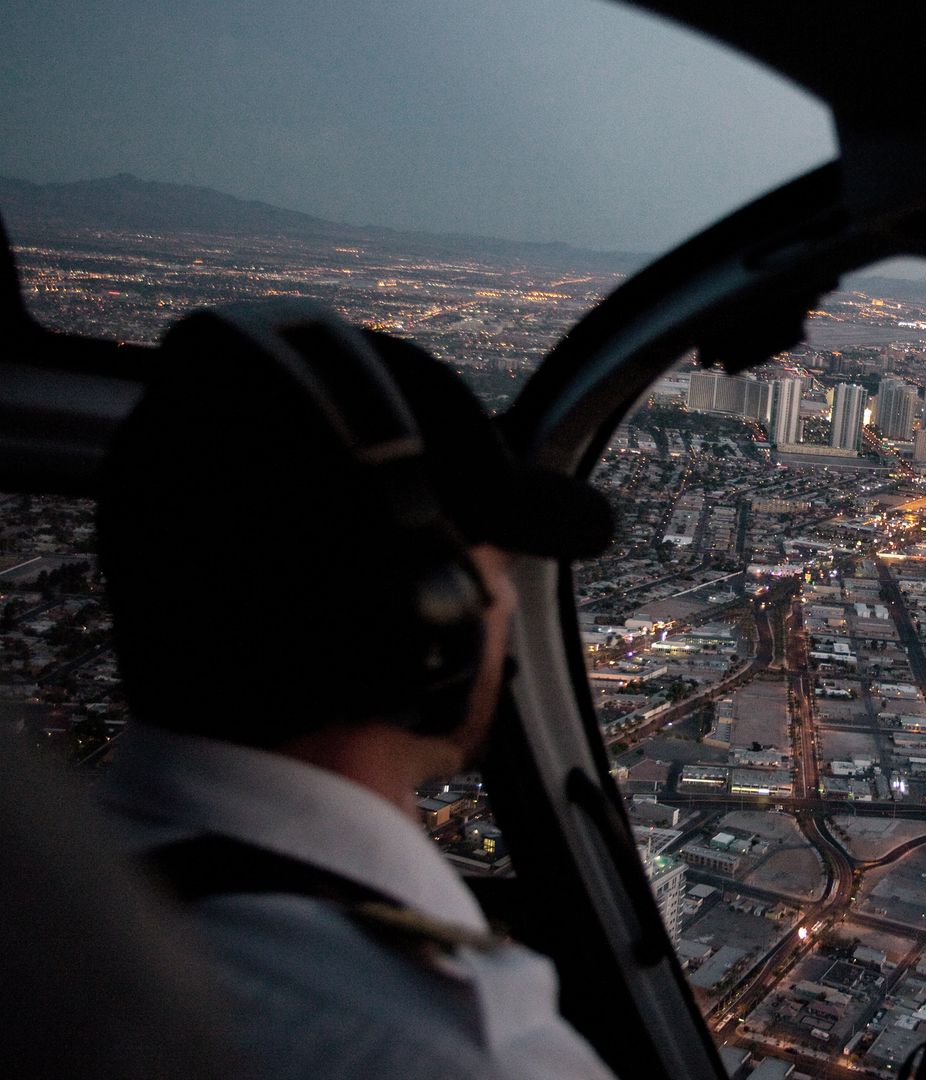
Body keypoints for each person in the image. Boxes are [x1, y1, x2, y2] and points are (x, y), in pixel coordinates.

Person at [93, 302, 619, 1079]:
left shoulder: (65, 890)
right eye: (497, 573)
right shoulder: (441, 1050)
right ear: (424, 618)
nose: (505, 606)